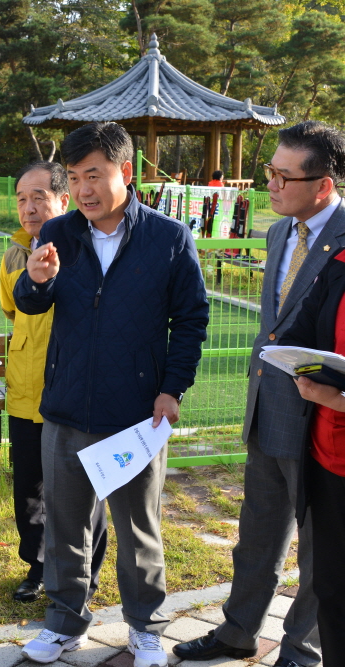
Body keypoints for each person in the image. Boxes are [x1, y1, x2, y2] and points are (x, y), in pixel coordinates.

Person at [14, 122, 209, 667]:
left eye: (94, 175)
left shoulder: (168, 237)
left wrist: (172, 388)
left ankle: (145, 627)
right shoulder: (58, 231)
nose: (83, 190)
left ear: (125, 172)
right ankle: (62, 624)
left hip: (135, 416)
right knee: (65, 529)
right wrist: (35, 279)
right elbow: (31, 304)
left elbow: (190, 318)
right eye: (74, 178)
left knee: (137, 530)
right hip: (66, 409)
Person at [173, 121, 345, 666]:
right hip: (267, 406)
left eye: (281, 174)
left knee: (321, 550)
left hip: (324, 420)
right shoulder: (277, 232)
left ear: (322, 184)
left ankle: (301, 649)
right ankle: (237, 631)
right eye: (268, 170)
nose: (268, 183)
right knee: (257, 533)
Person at [0, 161, 109, 604]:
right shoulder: (14, 253)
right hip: (26, 390)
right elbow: (13, 310)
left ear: (65, 199)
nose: (29, 208)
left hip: (73, 390)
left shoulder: (86, 248)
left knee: (85, 489)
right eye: (22, 199)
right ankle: (38, 566)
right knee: (29, 488)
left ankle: (87, 572)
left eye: (39, 197)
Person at [280, 245, 345, 667]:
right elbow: (301, 331)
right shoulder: (339, 262)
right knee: (334, 590)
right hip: (328, 460)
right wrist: (302, 364)